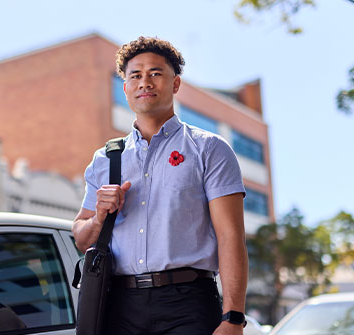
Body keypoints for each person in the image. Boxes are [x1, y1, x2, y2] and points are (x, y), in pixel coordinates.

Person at [72, 36, 248, 335]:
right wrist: (100, 216)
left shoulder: (209, 149)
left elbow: (230, 236)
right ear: (125, 86)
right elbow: (81, 237)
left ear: (175, 84)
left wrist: (233, 317)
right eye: (135, 76)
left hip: (189, 303)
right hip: (118, 305)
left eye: (155, 73)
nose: (145, 82)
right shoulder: (105, 159)